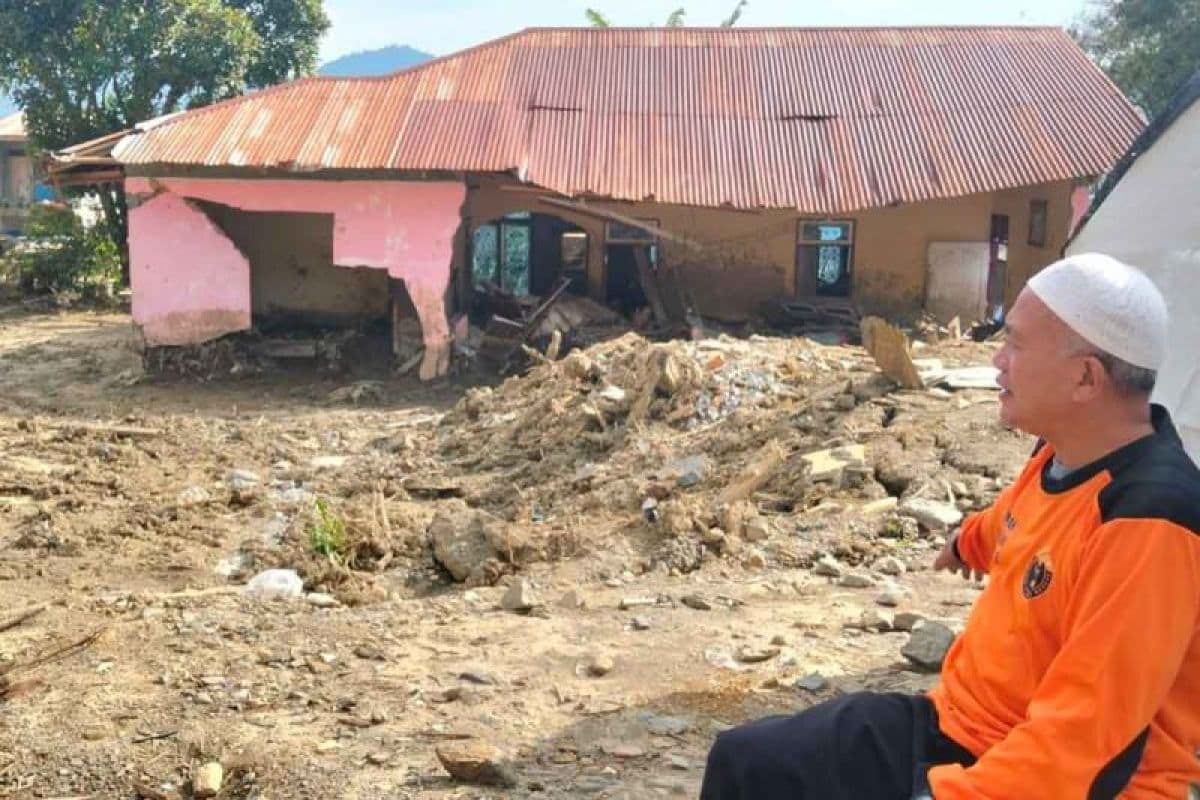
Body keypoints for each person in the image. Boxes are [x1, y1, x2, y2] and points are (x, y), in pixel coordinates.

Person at [700, 253, 1200, 799]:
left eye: (1016, 344)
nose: (997, 360)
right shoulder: (1063, 456)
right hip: (961, 726)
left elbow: (1085, 738)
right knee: (747, 762)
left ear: (1085, 377)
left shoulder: (1151, 520)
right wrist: (966, 541)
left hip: (1064, 780)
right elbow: (1015, 525)